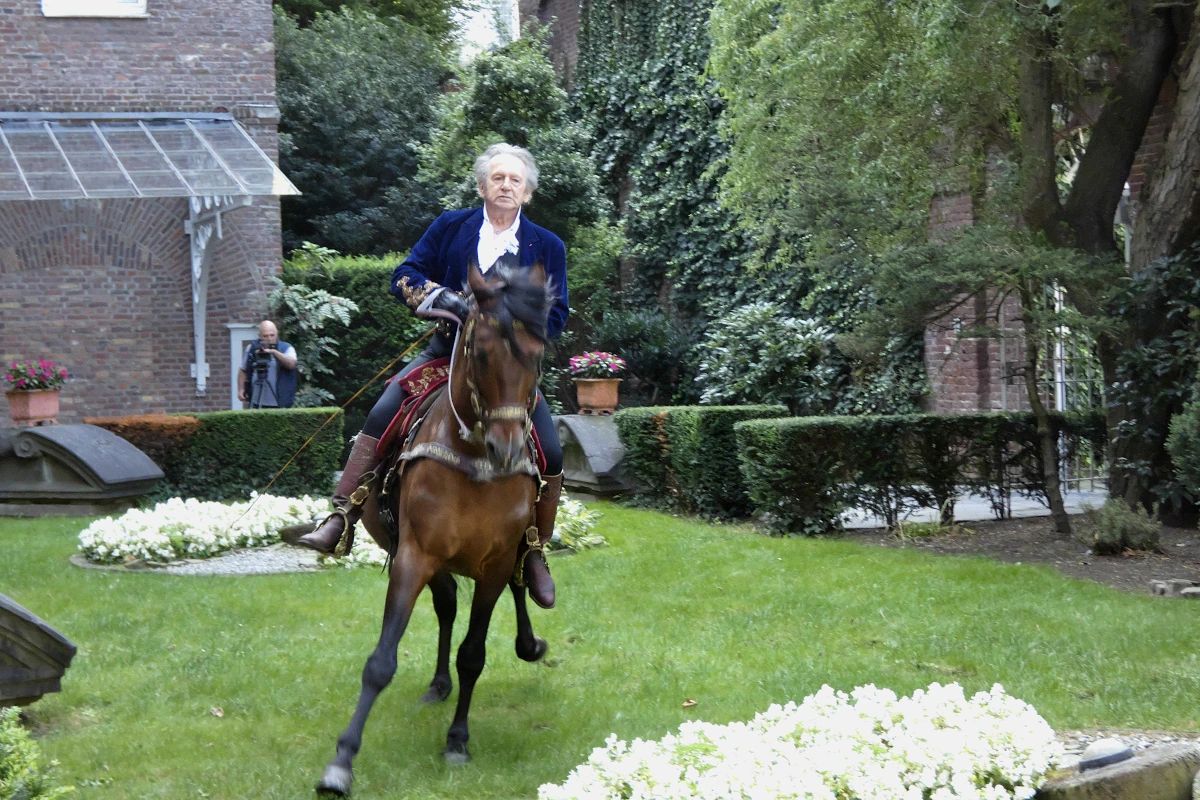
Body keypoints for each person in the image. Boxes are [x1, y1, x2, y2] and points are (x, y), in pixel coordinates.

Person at [298, 143, 569, 609]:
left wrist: (512, 322)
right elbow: (404, 274)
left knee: (553, 449)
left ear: (527, 193)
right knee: (384, 410)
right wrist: (444, 297)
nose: (506, 186)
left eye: (515, 180)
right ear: (482, 186)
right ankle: (341, 516)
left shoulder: (548, 245)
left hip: (505, 371)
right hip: (445, 356)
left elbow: (558, 313)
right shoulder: (450, 226)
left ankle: (534, 551)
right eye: (498, 178)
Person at [237, 320, 299, 409]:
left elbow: (292, 364)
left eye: (272, 335)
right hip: (256, 400)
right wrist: (241, 389)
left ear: (277, 333)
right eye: (265, 336)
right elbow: (243, 370)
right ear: (259, 335)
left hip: (279, 402)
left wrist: (274, 352)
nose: (269, 339)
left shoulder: (286, 348)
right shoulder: (251, 348)